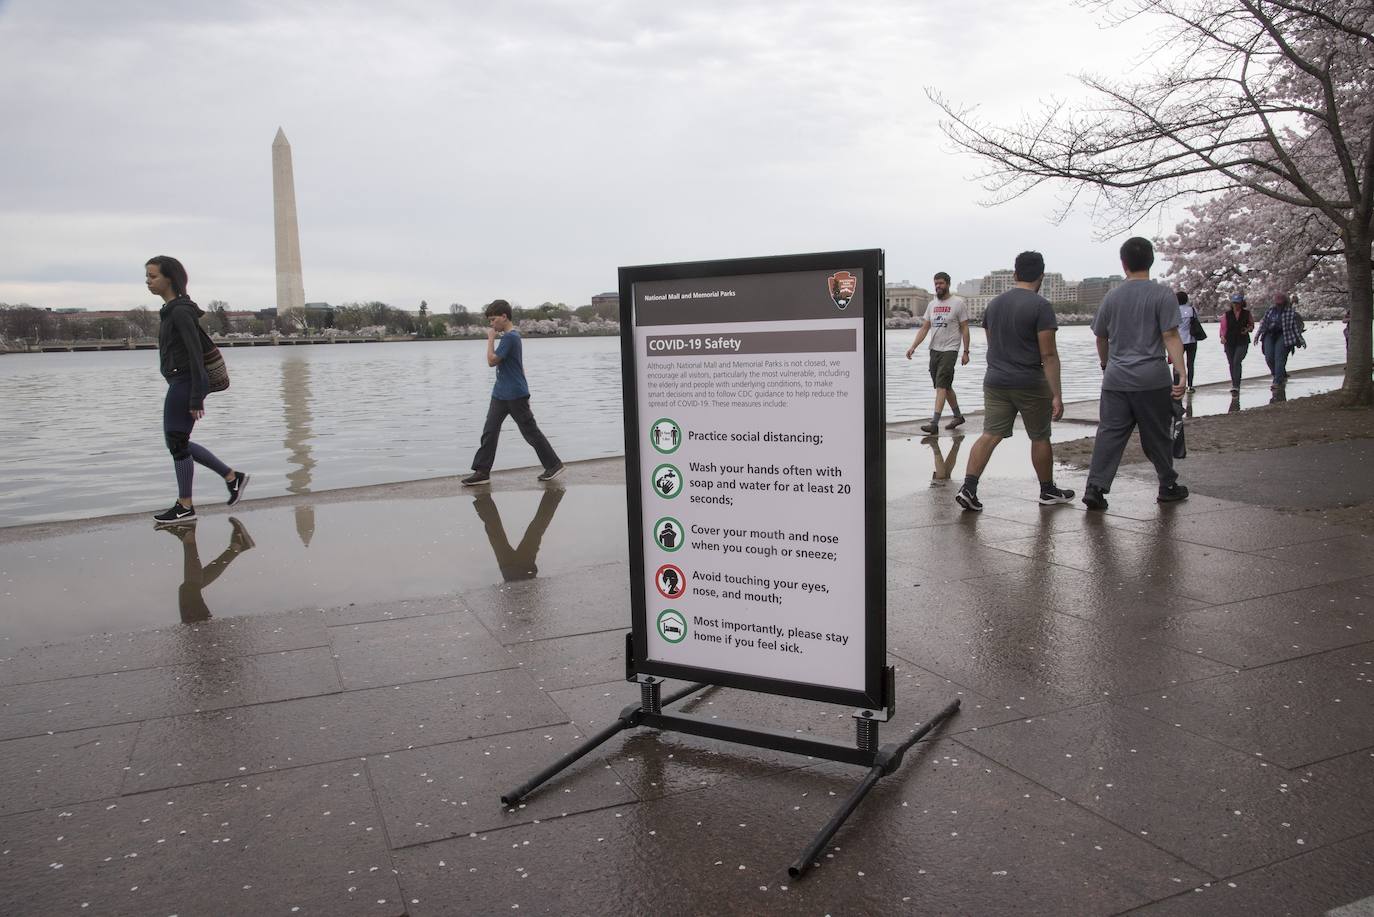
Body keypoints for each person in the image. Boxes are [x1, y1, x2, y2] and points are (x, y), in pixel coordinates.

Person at [954, 251, 1073, 512]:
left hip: (995, 379)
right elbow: (1049, 354)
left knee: (990, 434)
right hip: (1030, 380)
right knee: (1040, 436)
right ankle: (1047, 490)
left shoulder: (994, 305)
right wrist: (1057, 394)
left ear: (1015, 274)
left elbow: (992, 340)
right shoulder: (1041, 306)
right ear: (1041, 276)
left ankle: (969, 487)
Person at [1082, 237, 1189, 511]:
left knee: (1110, 434)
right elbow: (1170, 335)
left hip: (1116, 379)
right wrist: (1181, 370)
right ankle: (1167, 485)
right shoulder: (1162, 294)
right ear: (1151, 261)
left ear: (1123, 263)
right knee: (1156, 435)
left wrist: (1106, 365)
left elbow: (1101, 336)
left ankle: (1096, 487)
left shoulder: (1112, 296)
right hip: (1152, 378)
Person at [147, 256, 249, 525]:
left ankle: (186, 505)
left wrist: (196, 396)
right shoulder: (172, 310)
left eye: (153, 276)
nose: (148, 281)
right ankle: (231, 477)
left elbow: (195, 355)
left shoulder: (180, 312)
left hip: (185, 383)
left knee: (177, 443)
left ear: (170, 278)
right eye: (147, 276)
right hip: (179, 382)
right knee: (178, 442)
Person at [462, 299, 565, 485]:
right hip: (500, 394)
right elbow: (519, 367)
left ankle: (554, 464)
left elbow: (491, 361)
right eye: (490, 321)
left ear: (504, 316)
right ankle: (482, 471)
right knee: (489, 432)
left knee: (530, 432)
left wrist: (491, 339)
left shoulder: (511, 337)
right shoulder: (510, 338)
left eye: (493, 320)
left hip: (515, 395)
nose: (491, 324)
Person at [905, 272, 971, 433]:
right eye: (935, 283)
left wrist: (966, 351)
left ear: (947, 284)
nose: (937, 286)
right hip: (934, 350)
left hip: (950, 350)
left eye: (941, 283)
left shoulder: (958, 303)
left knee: (941, 385)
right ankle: (958, 416)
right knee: (944, 386)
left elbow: (965, 328)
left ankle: (934, 423)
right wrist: (913, 346)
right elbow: (925, 327)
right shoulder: (932, 304)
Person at [1254, 292, 1305, 391]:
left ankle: (1277, 381)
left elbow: (1294, 327)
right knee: (1269, 357)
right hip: (1269, 334)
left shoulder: (1289, 312)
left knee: (1279, 357)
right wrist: (1257, 336)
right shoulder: (1270, 311)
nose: (1278, 304)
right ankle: (1277, 374)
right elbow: (1263, 324)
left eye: (1280, 302)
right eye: (1277, 302)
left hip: (1283, 335)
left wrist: (1301, 340)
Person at [1219, 292, 1254, 393]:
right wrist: (1222, 337)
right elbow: (1222, 328)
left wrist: (1247, 329)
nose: (1236, 305)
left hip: (1242, 340)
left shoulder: (1247, 313)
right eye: (1234, 303)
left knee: (1236, 361)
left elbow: (1251, 326)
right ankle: (1234, 383)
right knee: (1231, 363)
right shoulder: (1227, 315)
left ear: (1242, 303)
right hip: (1229, 341)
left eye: (1238, 303)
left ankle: (1236, 385)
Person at [1176, 291, 1199, 392]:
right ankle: (1190, 385)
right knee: (1190, 363)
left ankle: (1177, 384)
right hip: (1192, 340)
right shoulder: (1192, 310)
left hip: (1178, 341)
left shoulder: (1174, 311)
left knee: (1177, 364)